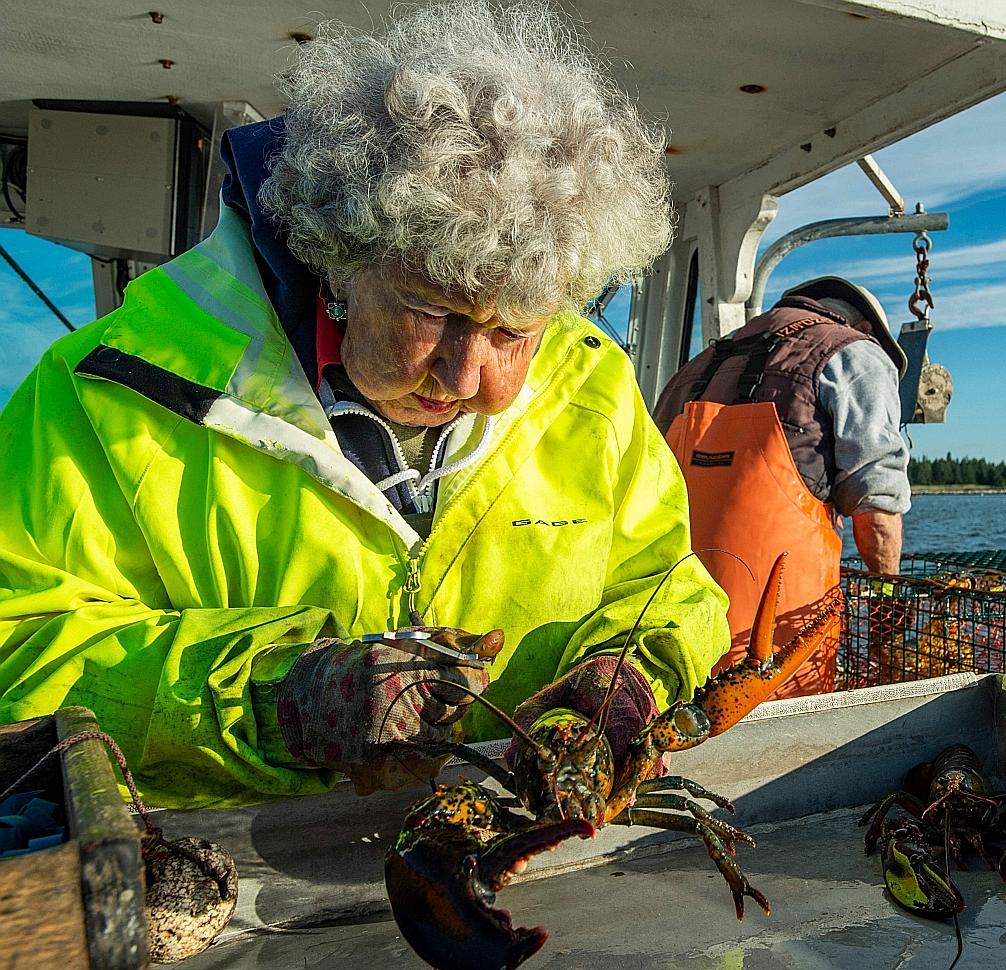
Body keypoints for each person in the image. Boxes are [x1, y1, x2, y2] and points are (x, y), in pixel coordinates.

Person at [0, 1, 729, 809]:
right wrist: (278, 700)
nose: (465, 377)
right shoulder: (106, 393)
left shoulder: (593, 383)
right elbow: (18, 651)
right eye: (429, 310)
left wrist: (629, 681)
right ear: (337, 259)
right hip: (228, 892)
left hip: (528, 859)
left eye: (514, 331)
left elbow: (668, 589)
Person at [652, 277, 910, 697]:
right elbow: (876, 509)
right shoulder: (855, 352)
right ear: (865, 327)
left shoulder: (697, 365)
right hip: (777, 665)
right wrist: (889, 604)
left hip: (671, 653)